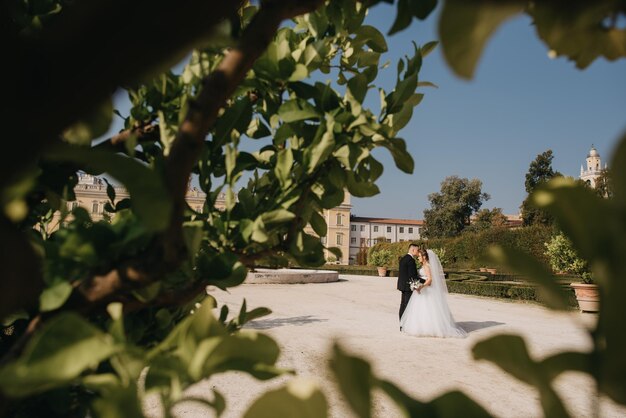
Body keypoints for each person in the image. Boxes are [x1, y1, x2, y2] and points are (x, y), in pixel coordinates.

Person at [400, 248, 467, 338]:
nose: (418, 258)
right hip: (422, 291)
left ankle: (430, 328)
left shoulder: (427, 266)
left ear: (424, 257)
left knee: (428, 309)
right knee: (421, 310)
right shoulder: (423, 266)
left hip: (427, 290)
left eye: (419, 256)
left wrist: (421, 286)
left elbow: (430, 280)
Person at [397, 244, 423, 323]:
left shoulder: (403, 258)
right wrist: (425, 281)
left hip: (402, 285)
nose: (418, 252)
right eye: (417, 250)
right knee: (407, 305)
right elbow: (413, 276)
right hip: (408, 286)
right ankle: (405, 323)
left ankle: (401, 322)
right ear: (413, 250)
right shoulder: (411, 260)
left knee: (402, 304)